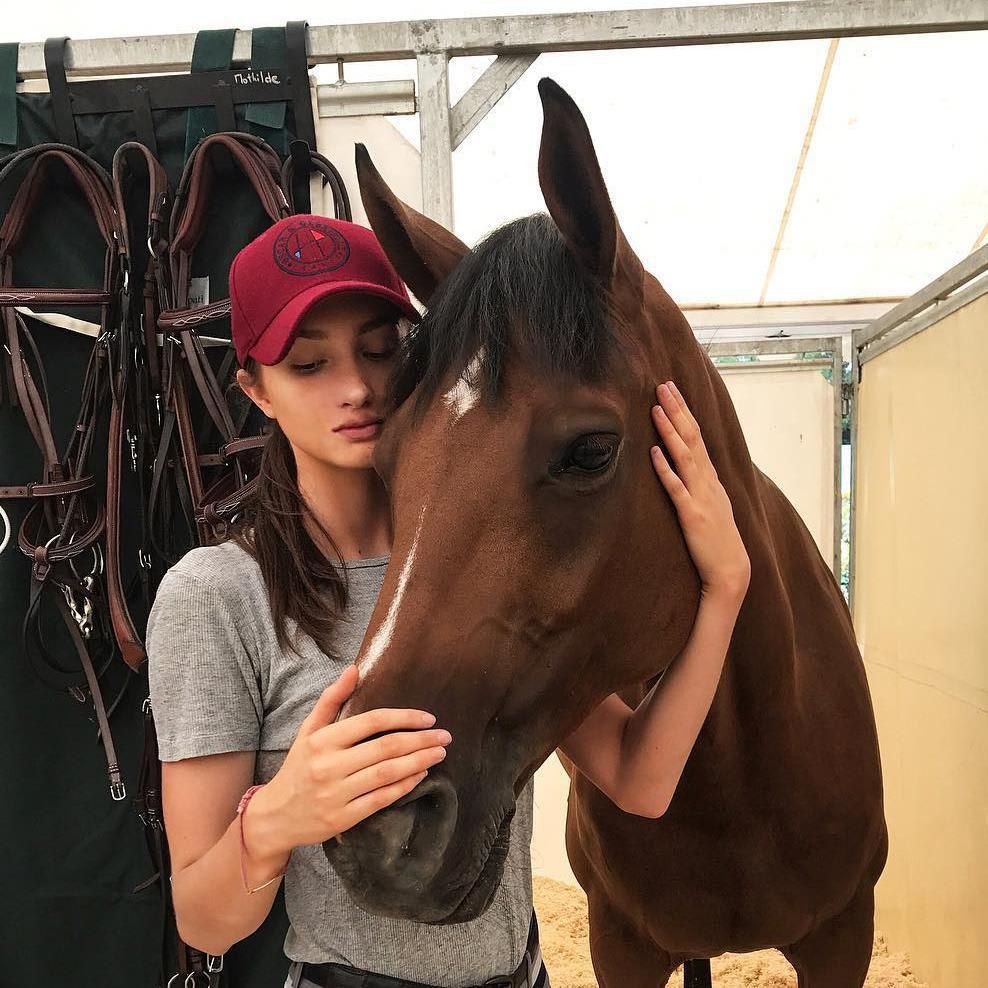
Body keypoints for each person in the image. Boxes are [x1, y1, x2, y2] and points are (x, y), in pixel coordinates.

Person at [146, 214, 750, 988]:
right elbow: (201, 918)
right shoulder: (218, 596)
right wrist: (276, 818)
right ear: (255, 390)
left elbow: (638, 778)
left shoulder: (467, 556)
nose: (358, 387)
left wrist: (726, 590)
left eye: (379, 348)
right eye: (308, 364)